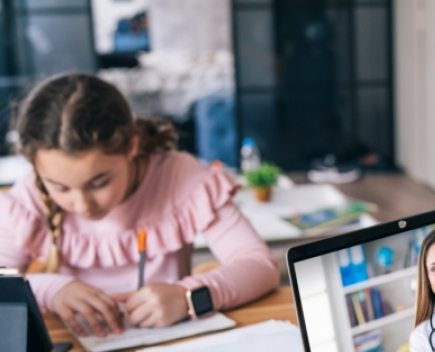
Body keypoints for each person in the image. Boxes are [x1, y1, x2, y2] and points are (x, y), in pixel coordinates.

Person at [0, 73, 279, 337]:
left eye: (99, 183)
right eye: (60, 188)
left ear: (131, 146)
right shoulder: (30, 194)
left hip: (172, 350)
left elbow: (260, 266)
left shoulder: (181, 177)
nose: (82, 205)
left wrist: (187, 296)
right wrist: (52, 289)